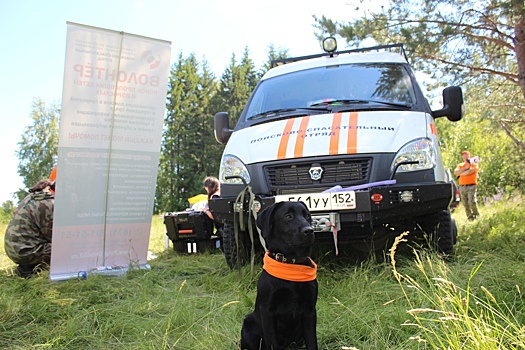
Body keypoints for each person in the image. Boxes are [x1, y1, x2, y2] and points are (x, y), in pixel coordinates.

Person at [4, 178, 55, 278]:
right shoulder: (48, 203)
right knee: (64, 247)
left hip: (15, 249)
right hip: (25, 251)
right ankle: (31, 268)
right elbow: (53, 236)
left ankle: (29, 266)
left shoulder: (34, 197)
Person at [454, 150, 480, 220]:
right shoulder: (460, 165)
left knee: (472, 202)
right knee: (465, 203)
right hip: (462, 186)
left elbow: (470, 171)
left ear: (469, 156)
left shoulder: (474, 164)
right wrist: (465, 168)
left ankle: (476, 215)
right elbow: (456, 172)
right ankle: (470, 217)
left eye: (467, 156)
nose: (465, 158)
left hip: (471, 186)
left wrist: (461, 173)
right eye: (464, 156)